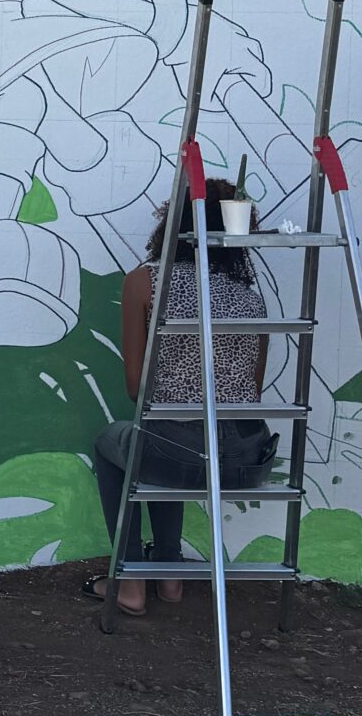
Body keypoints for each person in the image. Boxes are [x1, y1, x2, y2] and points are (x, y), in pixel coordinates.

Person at [85, 183, 276, 615]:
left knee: (128, 440)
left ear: (174, 226)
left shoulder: (145, 283)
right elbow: (252, 391)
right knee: (164, 438)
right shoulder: (251, 300)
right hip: (245, 460)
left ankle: (131, 580)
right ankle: (169, 572)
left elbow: (137, 389)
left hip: (178, 452)